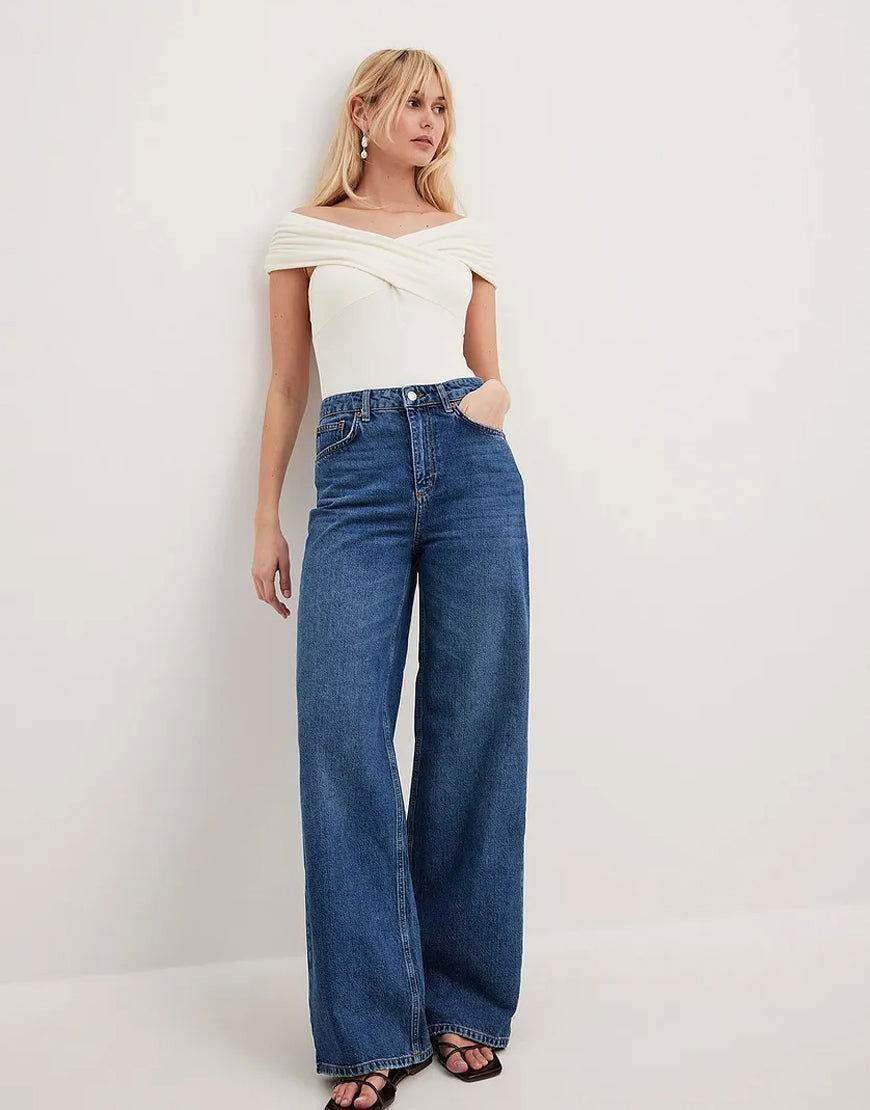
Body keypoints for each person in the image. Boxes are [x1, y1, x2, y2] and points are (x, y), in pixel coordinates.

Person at [253, 47, 530, 1110]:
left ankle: (464, 1004)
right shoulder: (303, 236)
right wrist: (266, 520)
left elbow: (492, 363)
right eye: (414, 100)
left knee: (474, 728)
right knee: (341, 734)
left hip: (472, 472)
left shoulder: (467, 237)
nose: (432, 119)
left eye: (442, 105)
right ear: (364, 111)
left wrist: (488, 404)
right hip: (356, 480)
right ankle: (371, 1024)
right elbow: (288, 385)